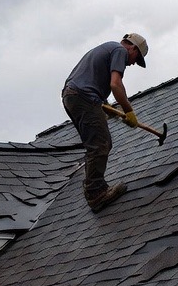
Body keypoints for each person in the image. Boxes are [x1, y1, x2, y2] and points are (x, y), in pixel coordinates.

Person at [62, 32, 148, 212]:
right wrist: (129, 111)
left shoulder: (105, 48)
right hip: (83, 97)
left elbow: (90, 81)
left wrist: (109, 109)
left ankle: (93, 188)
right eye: (136, 58)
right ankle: (96, 194)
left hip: (72, 96)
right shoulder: (119, 51)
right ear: (132, 47)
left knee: (95, 143)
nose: (132, 63)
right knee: (100, 144)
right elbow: (116, 84)